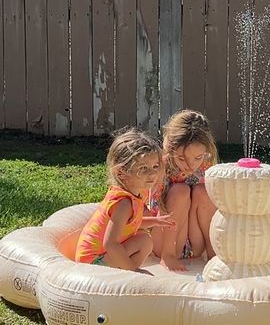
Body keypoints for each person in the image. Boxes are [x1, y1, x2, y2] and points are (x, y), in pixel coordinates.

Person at [75, 128, 175, 271]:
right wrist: (134, 272)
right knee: (144, 241)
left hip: (100, 257)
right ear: (121, 173)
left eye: (155, 166)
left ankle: (126, 272)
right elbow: (111, 244)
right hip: (92, 264)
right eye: (143, 168)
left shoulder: (137, 193)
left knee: (144, 240)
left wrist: (156, 221)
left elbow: (129, 224)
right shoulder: (124, 203)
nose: (152, 173)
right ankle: (128, 273)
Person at [151, 110, 218, 271]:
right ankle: (168, 256)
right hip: (165, 240)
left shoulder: (205, 165)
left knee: (204, 191)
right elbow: (155, 209)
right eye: (181, 158)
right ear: (169, 149)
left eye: (197, 158)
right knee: (180, 191)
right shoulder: (161, 167)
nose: (190, 165)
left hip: (195, 244)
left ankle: (214, 253)